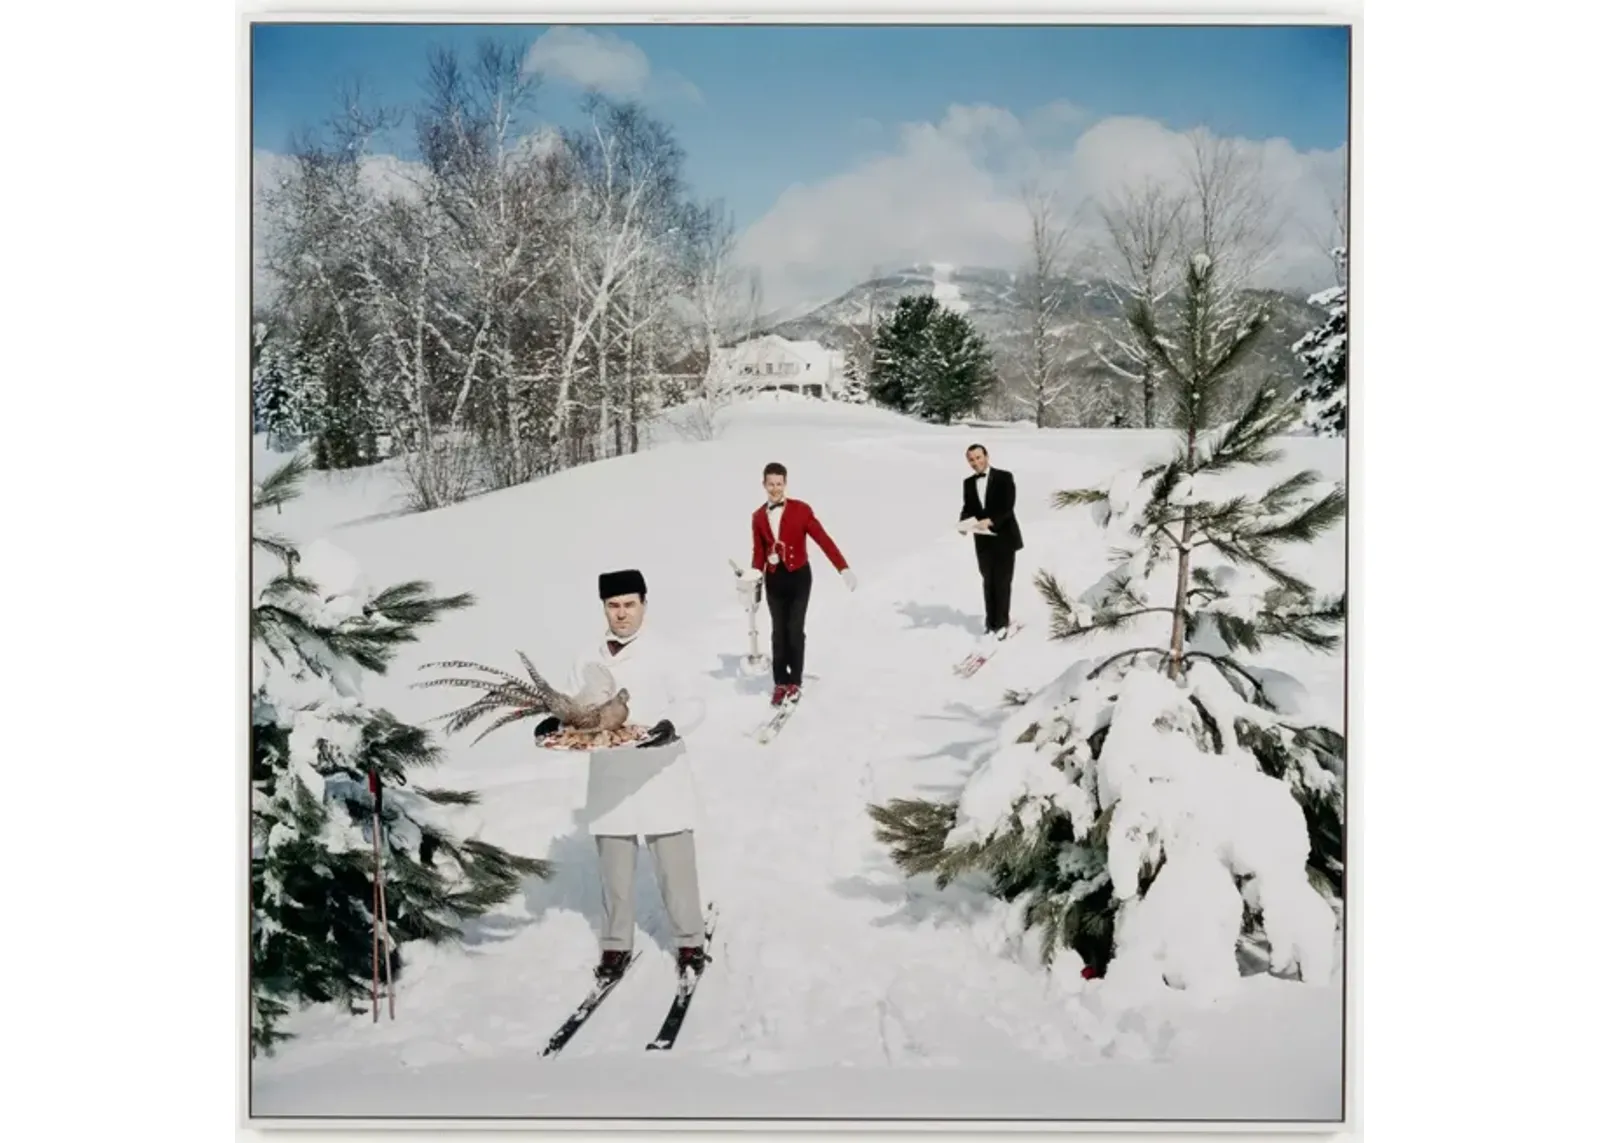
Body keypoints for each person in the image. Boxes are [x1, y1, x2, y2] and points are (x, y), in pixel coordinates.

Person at [534, 569, 709, 983]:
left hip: (659, 771)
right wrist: (554, 723)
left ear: (644, 604)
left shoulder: (668, 652)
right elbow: (575, 706)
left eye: (630, 604)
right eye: (614, 605)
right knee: (615, 870)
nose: (622, 614)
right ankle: (616, 945)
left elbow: (696, 702)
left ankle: (689, 939)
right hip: (611, 775)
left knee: (674, 866)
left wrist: (671, 725)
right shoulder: (586, 656)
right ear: (604, 608)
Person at [749, 461, 857, 706]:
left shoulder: (801, 510)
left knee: (794, 629)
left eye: (779, 484)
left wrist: (843, 568)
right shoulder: (757, 517)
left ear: (785, 483)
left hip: (799, 577)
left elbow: (823, 539)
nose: (775, 489)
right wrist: (754, 579)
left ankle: (795, 680)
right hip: (774, 578)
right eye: (770, 484)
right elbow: (758, 552)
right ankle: (780, 682)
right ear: (764, 485)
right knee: (778, 631)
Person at [958, 443, 1024, 640]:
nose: (975, 462)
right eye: (971, 459)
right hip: (983, 540)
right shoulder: (968, 483)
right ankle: (991, 623)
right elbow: (968, 507)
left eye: (978, 457)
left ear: (986, 456)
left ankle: (1002, 624)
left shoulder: (1004, 477)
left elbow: (1008, 506)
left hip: (1004, 537)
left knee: (1002, 582)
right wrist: (963, 524)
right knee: (988, 582)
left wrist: (992, 520)